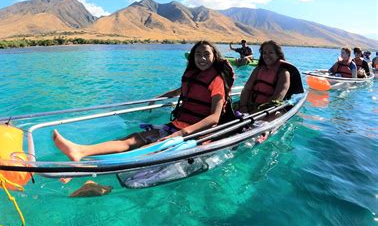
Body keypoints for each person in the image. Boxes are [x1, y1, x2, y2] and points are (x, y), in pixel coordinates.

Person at [53, 41, 235, 161]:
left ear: (214, 56)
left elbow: (214, 118)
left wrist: (182, 133)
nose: (202, 58)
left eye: (206, 54)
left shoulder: (217, 81)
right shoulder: (194, 75)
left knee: (149, 149)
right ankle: (81, 151)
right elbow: (182, 91)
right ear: (193, 58)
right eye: (198, 55)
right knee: (131, 139)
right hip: (176, 125)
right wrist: (158, 98)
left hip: (197, 133)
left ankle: (85, 168)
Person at [238, 40, 303, 142]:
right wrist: (243, 107)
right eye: (264, 53)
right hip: (250, 106)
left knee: (276, 115)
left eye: (271, 52)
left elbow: (276, 99)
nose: (266, 55)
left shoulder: (284, 73)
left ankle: (264, 132)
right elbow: (246, 89)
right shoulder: (258, 70)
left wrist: (253, 114)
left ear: (278, 54)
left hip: (270, 110)